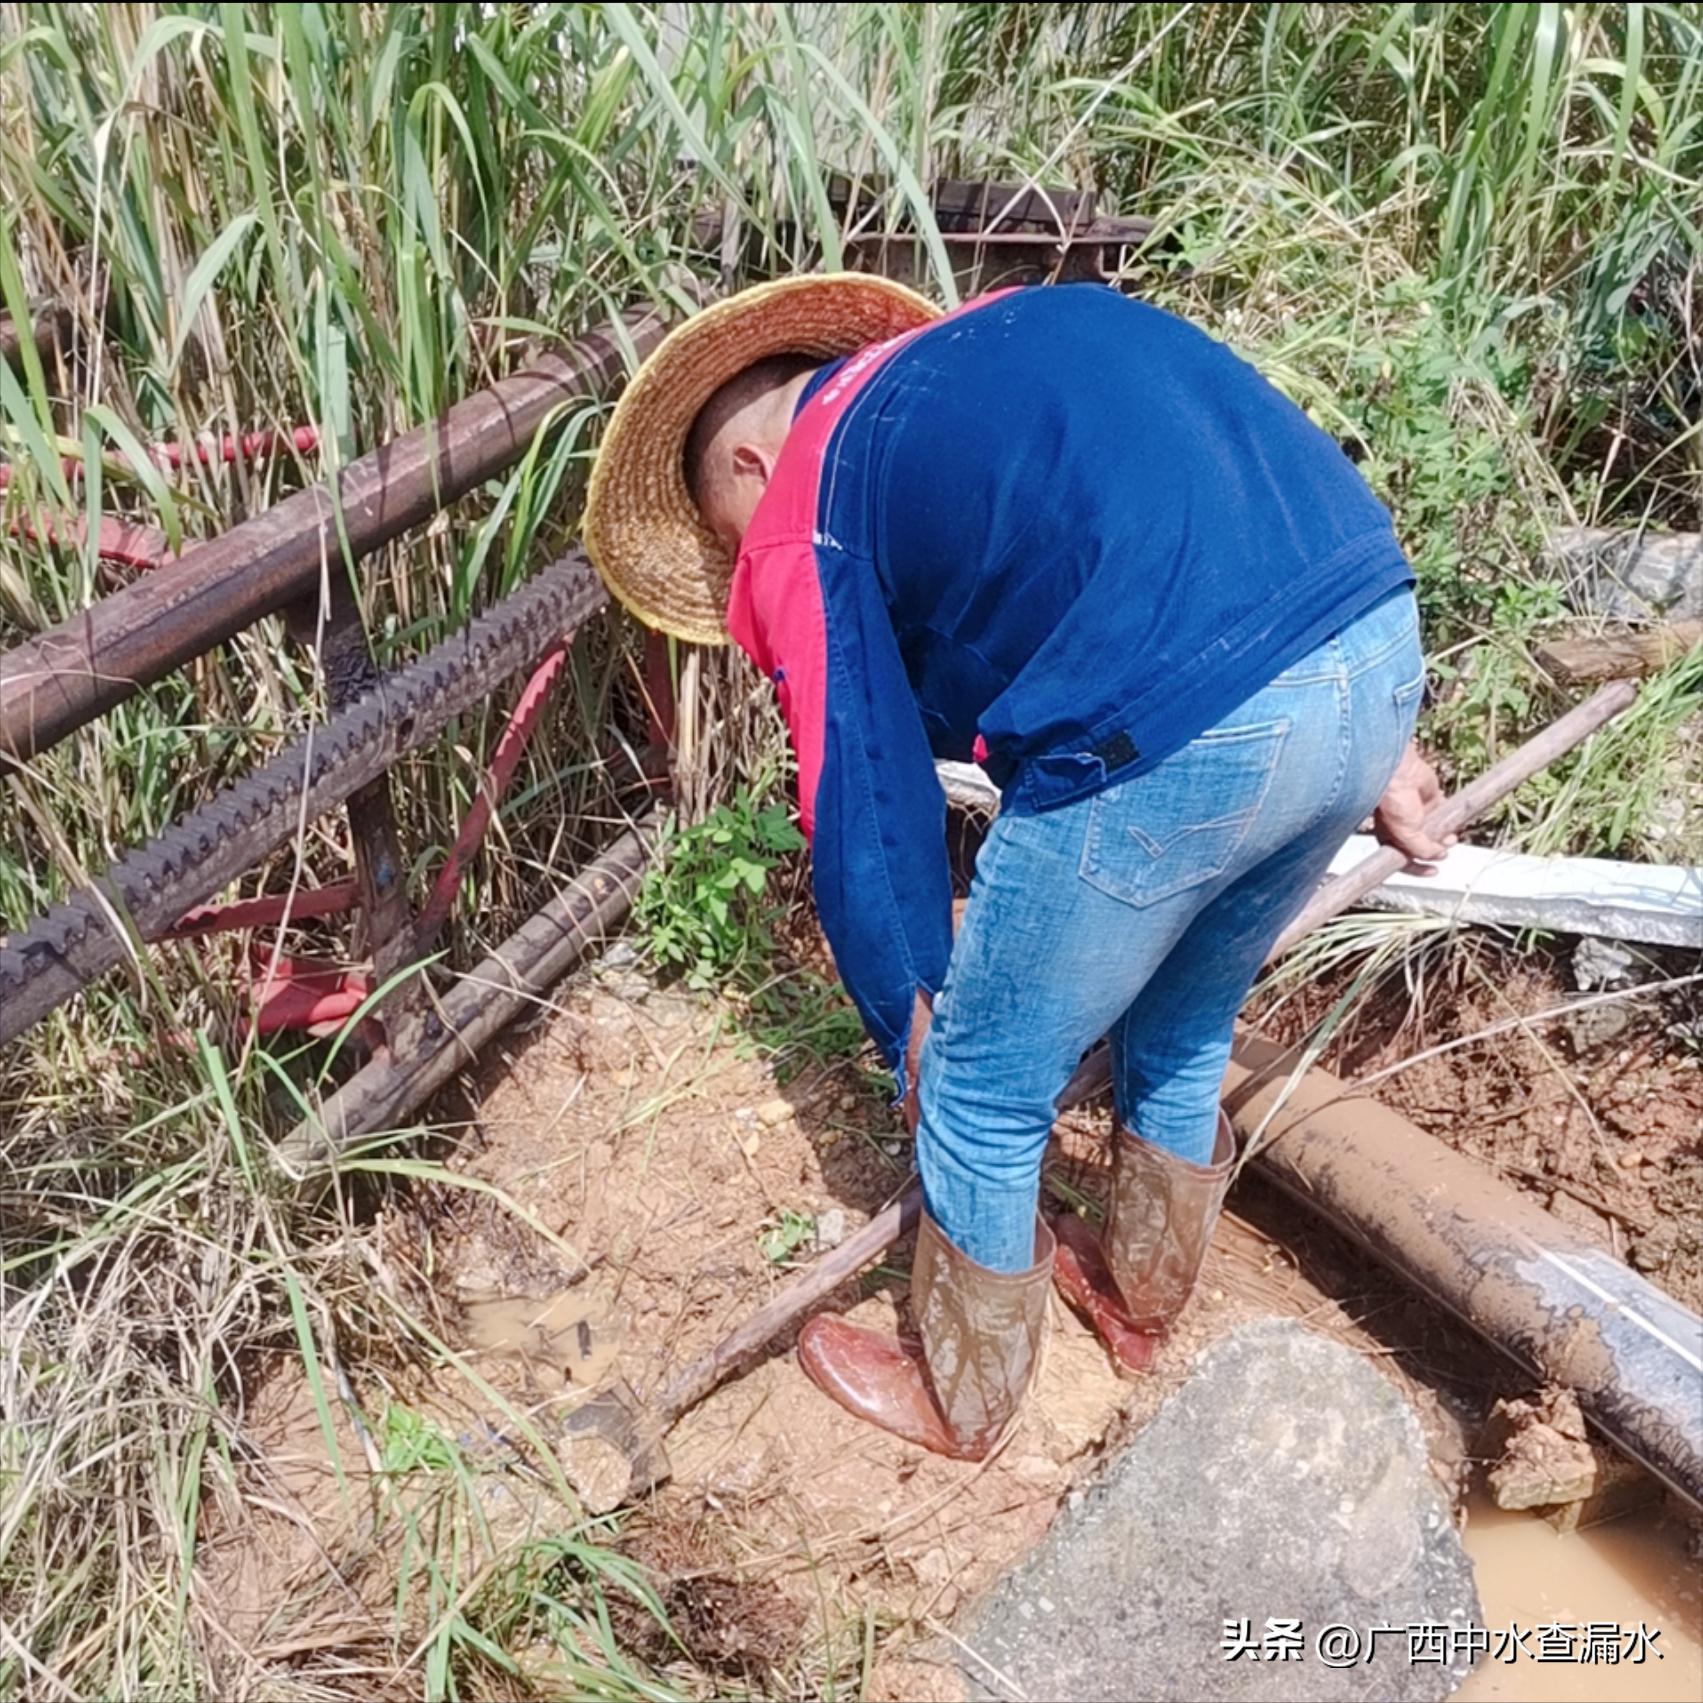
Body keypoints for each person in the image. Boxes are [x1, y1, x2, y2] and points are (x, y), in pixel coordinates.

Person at [585, 274, 1449, 1460]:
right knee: (1186, 1022)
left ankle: (962, 1396)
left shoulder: (798, 499)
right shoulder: (1014, 336)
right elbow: (1239, 500)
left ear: (743, 465)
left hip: (1180, 724)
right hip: (1370, 646)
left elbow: (860, 795)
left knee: (983, 1086)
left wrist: (912, 1014)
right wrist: (1377, 737)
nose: (745, 562)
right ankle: (1140, 1306)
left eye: (726, 543)